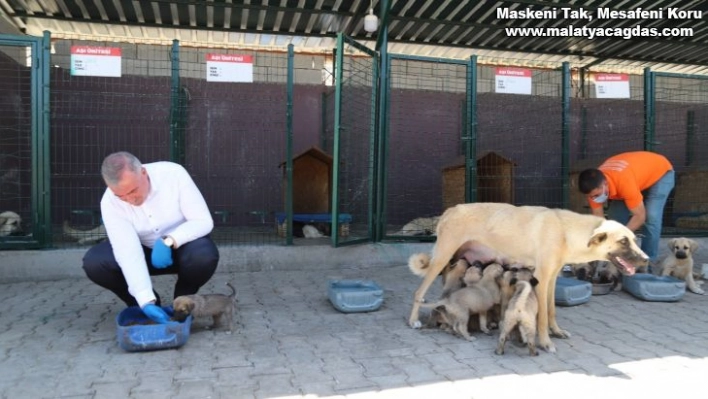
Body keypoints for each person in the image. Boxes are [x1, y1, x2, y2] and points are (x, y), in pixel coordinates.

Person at [82, 151, 219, 324]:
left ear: (144, 173)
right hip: (143, 253)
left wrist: (169, 241)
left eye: (133, 190)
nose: (130, 199)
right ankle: (142, 307)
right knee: (95, 262)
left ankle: (183, 300)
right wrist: (145, 300)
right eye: (121, 196)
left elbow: (203, 221)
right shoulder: (109, 202)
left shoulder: (173, 174)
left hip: (182, 249)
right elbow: (127, 252)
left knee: (204, 254)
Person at [577, 151, 674, 265]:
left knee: (651, 215)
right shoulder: (593, 189)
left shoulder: (623, 182)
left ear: (605, 184)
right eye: (591, 197)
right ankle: (620, 258)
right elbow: (599, 219)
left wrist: (619, 237)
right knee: (615, 217)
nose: (594, 198)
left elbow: (640, 216)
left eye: (597, 195)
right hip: (635, 176)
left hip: (662, 172)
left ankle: (647, 262)